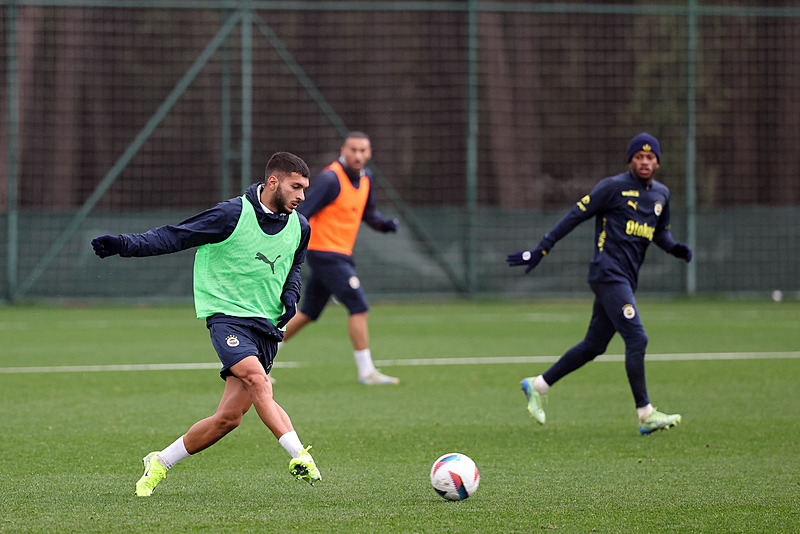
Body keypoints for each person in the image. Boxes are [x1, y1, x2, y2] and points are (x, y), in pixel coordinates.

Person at [91, 152, 322, 496]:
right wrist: (124, 244)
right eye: (296, 187)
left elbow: (294, 267)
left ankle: (160, 462)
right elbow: (175, 236)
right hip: (227, 318)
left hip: (266, 327)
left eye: (305, 188)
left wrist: (291, 294)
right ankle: (299, 455)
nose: (302, 196)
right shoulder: (231, 214)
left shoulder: (300, 226)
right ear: (273, 182)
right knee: (259, 380)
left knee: (228, 419)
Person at [507, 133, 692, 435]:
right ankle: (646, 414)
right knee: (638, 339)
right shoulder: (612, 187)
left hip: (625, 279)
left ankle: (537, 385)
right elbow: (573, 216)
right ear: (630, 160)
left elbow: (660, 233)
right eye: (639, 156)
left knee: (594, 345)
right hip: (607, 273)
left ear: (657, 162)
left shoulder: (661, 195)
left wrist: (674, 248)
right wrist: (541, 248)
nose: (644, 162)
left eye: (650, 157)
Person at [280, 132, 400, 385]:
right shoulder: (330, 179)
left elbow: (368, 213)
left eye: (363, 150)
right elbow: (303, 212)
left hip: (341, 254)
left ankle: (259, 357)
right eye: (353, 150)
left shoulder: (366, 178)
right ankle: (367, 372)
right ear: (343, 151)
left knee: (308, 313)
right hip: (324, 253)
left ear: (369, 154)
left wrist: (385, 225)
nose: (358, 155)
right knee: (359, 306)